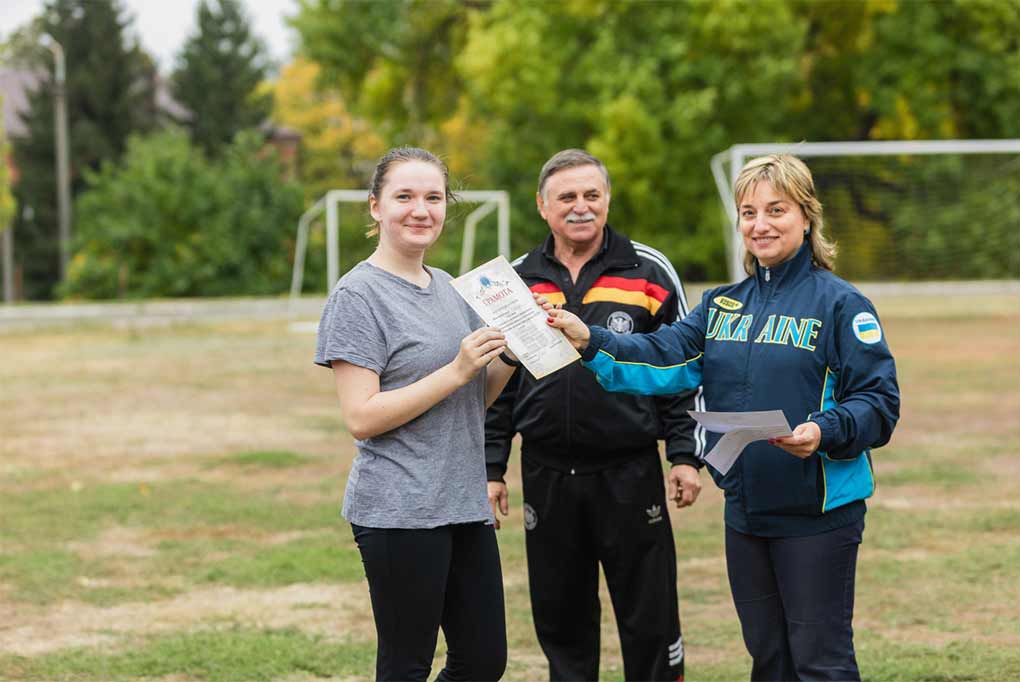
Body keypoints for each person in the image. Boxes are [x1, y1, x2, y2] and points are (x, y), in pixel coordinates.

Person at [544, 154, 900, 681]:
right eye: (749, 212)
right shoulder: (721, 305)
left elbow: (879, 402)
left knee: (820, 662)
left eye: (776, 209)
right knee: (769, 658)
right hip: (746, 513)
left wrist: (823, 431)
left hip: (817, 515)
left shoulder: (843, 305)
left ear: (806, 215)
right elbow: (660, 355)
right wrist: (591, 338)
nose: (760, 224)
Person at [484, 149, 704, 681]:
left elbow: (679, 365)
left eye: (592, 195)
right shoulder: (514, 280)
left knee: (648, 615)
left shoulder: (649, 270)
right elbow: (496, 381)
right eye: (567, 197)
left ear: (607, 200)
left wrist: (684, 455)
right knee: (561, 620)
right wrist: (491, 467)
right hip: (547, 473)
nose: (580, 207)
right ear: (542, 205)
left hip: (629, 472)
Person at [315, 147, 516, 681]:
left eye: (433, 197)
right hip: (399, 508)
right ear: (376, 206)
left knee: (482, 661)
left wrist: (514, 357)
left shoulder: (454, 288)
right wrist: (456, 369)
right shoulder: (357, 296)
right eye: (404, 196)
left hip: (462, 502)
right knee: (407, 666)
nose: (420, 209)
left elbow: (474, 400)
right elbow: (361, 416)